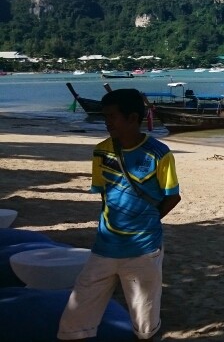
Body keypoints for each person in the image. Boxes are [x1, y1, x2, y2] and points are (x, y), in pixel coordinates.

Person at [58, 88, 181, 341]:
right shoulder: (101, 152)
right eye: (105, 116)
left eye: (112, 116)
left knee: (145, 323)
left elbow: (172, 196)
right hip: (105, 246)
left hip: (143, 250)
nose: (106, 122)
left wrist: (147, 220)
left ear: (133, 118)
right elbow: (105, 193)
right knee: (76, 317)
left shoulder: (159, 153)